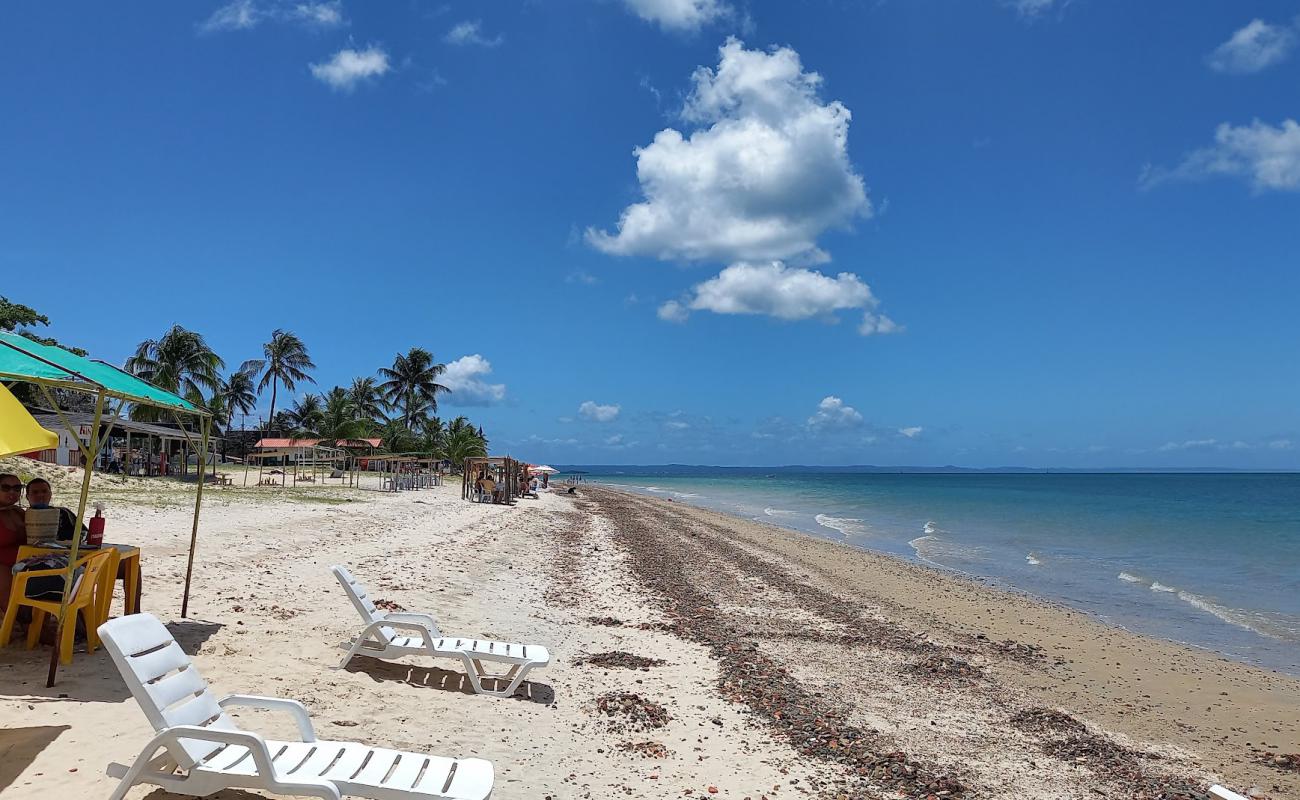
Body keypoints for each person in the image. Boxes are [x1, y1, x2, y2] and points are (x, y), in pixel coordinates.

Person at [0, 474, 27, 609]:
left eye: (17, 488)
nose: (12, 492)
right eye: (6, 488)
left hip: (22, 561)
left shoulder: (19, 512)